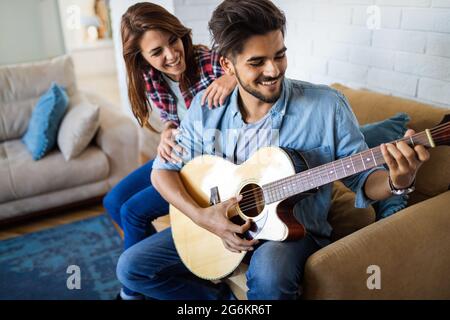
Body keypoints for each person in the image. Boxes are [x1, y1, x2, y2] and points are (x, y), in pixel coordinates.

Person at [116, 0, 430, 300]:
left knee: (270, 275)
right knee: (131, 268)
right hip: (219, 219)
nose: (273, 70)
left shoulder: (327, 106)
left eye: (279, 55)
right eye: (256, 62)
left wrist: (398, 182)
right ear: (227, 64)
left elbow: (363, 182)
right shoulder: (207, 107)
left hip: (290, 230)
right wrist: (203, 217)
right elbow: (162, 172)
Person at [102, 2, 236, 300]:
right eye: (157, 52)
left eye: (172, 41)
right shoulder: (149, 77)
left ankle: (131, 293)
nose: (172, 55)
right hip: (181, 156)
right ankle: (172, 271)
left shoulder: (211, 62)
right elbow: (175, 119)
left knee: (132, 211)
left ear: (180, 34)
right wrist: (167, 132)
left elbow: (252, 70)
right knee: (113, 201)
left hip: (209, 165)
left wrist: (233, 76)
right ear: (141, 58)